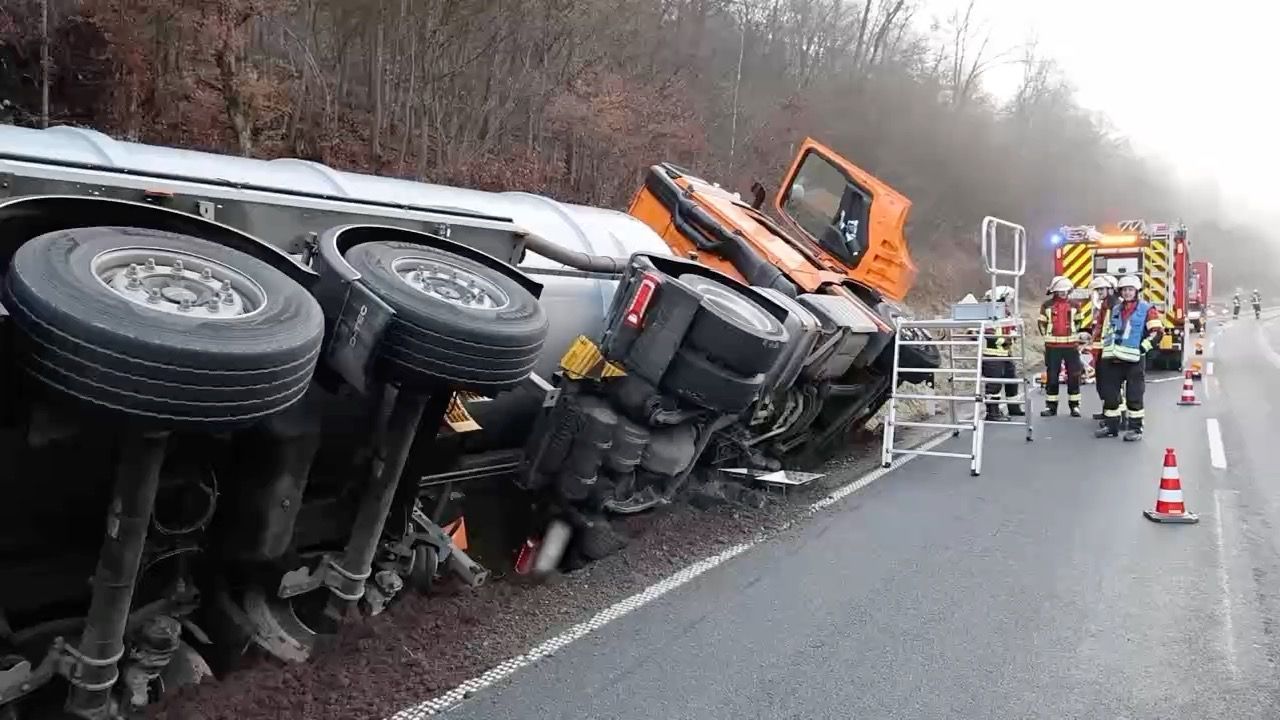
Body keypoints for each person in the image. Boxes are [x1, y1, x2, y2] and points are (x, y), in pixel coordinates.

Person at [1096, 274, 1164, 441]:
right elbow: (1109, 331)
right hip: (1113, 358)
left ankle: (1136, 429)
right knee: (1111, 395)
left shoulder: (1147, 309)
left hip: (1134, 360)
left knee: (1134, 395)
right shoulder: (1116, 309)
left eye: (1130, 290)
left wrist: (1143, 347)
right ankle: (1111, 427)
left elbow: (1157, 333)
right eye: (1124, 290)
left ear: (1136, 291)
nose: (1127, 293)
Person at [1038, 275, 1083, 417]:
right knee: (1052, 377)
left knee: (1074, 376)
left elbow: (1078, 322)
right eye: (1060, 290)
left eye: (1065, 290)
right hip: (1053, 347)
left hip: (1071, 346)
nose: (1063, 293)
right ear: (1054, 291)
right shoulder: (1046, 305)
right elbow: (1041, 323)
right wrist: (1047, 337)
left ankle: (1074, 406)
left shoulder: (1075, 305)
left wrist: (1073, 335)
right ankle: (1051, 407)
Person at [981, 285, 1023, 421]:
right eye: (1007, 299)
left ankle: (1014, 408)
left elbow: (1012, 329)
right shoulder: (989, 314)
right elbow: (989, 335)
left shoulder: (1006, 313)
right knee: (994, 384)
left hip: (1006, 354)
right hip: (992, 355)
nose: (1008, 302)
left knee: (1012, 380)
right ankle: (992, 413)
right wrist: (1005, 340)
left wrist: (1013, 335)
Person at [1087, 275, 1117, 420]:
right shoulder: (1105, 304)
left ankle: (1111, 415)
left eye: (1101, 289)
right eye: (1097, 290)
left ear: (1110, 289)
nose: (1099, 292)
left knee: (1108, 384)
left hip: (1108, 350)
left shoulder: (1113, 305)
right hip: (1102, 350)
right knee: (1102, 382)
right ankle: (1107, 411)